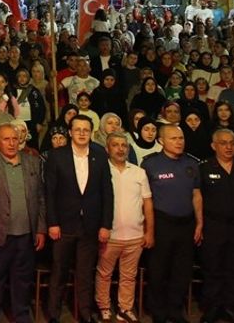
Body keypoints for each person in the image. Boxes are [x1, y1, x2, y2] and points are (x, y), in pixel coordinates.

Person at [44, 115, 113, 323]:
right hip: (63, 225)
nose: (82, 133)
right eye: (78, 129)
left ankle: (84, 313)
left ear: (91, 133)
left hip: (90, 226)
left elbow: (107, 193)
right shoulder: (57, 156)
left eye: (86, 129)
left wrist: (105, 224)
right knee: (59, 271)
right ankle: (54, 314)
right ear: (70, 132)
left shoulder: (100, 155)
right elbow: (50, 192)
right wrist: (52, 222)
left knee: (85, 273)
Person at [0, 123, 46, 323]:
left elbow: (41, 198)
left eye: (14, 138)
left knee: (23, 280)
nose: (11, 143)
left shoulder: (33, 162)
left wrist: (40, 229)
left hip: (26, 234)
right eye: (6, 139)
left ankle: (21, 315)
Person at [141, 123, 202, 323]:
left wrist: (199, 223)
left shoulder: (192, 163)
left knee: (182, 270)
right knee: (158, 269)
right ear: (161, 141)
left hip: (186, 223)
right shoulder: (150, 164)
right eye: (174, 138)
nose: (179, 142)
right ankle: (158, 311)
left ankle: (176, 309)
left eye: (181, 138)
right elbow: (144, 199)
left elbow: (196, 195)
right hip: (162, 223)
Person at [198, 129, 234, 323]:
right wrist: (199, 225)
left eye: (232, 143)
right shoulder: (204, 167)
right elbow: (197, 199)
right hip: (213, 225)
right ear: (214, 146)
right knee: (212, 268)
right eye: (223, 143)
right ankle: (212, 308)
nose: (229, 147)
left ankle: (232, 307)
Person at [95, 131, 152, 323]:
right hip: (110, 235)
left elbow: (147, 203)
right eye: (115, 145)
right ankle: (103, 306)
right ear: (107, 149)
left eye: (123, 145)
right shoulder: (101, 172)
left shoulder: (139, 172)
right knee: (104, 274)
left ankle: (125, 308)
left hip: (135, 236)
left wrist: (149, 231)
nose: (120, 149)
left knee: (129, 276)